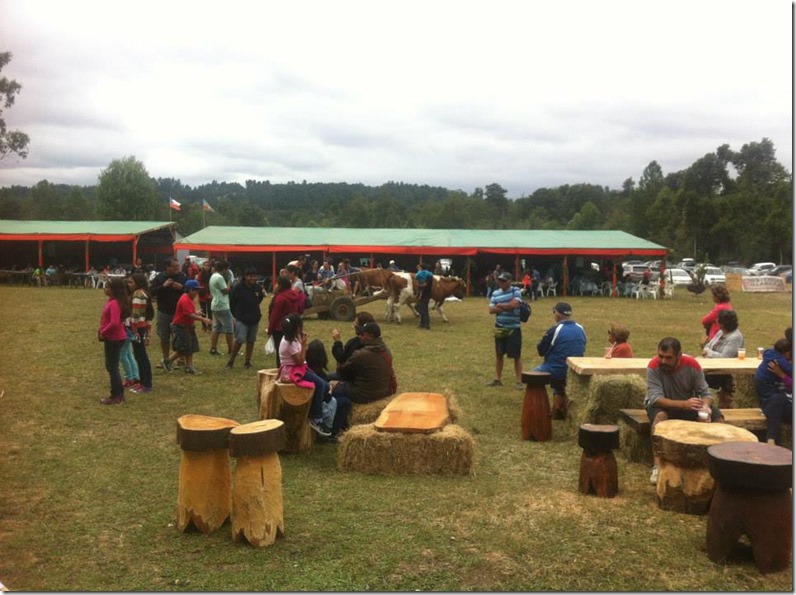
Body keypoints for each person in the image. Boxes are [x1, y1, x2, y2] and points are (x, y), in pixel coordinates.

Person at [644, 337, 723, 484]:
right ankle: (657, 465)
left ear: (679, 355)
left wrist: (705, 407)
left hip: (686, 402)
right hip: (662, 403)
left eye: (668, 358)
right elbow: (655, 398)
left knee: (717, 417)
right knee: (660, 417)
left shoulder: (692, 365)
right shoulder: (653, 366)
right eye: (660, 356)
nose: (663, 361)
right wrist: (684, 405)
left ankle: (713, 460)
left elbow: (706, 394)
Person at [330, 321, 397, 437]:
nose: (359, 336)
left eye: (362, 334)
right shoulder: (386, 350)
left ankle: (335, 428)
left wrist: (338, 344)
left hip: (364, 394)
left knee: (331, 385)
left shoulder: (361, 355)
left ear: (370, 336)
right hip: (383, 391)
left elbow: (342, 369)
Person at [278, 313, 333, 437]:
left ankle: (318, 407)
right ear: (297, 328)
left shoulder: (292, 337)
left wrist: (302, 343)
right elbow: (299, 360)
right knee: (319, 384)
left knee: (325, 385)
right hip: (292, 371)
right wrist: (303, 345)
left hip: (299, 367)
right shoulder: (288, 343)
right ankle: (316, 418)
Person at [533, 301, 587, 417]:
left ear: (557, 314)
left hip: (558, 369)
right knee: (559, 367)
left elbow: (541, 351)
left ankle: (539, 408)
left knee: (533, 374)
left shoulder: (555, 330)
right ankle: (559, 406)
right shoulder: (580, 328)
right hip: (574, 369)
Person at [486, 271, 524, 390]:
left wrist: (500, 306)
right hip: (499, 327)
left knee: (516, 356)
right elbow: (491, 310)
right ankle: (498, 379)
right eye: (499, 280)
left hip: (514, 328)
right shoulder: (495, 293)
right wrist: (506, 306)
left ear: (509, 281)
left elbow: (514, 305)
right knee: (499, 354)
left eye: (503, 280)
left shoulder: (516, 291)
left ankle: (519, 381)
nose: (500, 282)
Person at [165, 279, 212, 374]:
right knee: (184, 348)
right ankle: (169, 361)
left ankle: (188, 366)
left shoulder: (189, 299)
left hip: (188, 326)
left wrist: (196, 313)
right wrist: (203, 319)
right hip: (181, 327)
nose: (197, 292)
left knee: (190, 347)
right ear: (190, 290)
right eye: (196, 290)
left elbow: (189, 312)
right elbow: (188, 315)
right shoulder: (185, 299)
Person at [701, 309, 744, 408]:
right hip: (710, 364)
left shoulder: (735, 337)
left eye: (718, 320)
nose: (716, 321)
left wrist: (708, 353)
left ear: (723, 323)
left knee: (697, 377)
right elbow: (708, 345)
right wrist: (708, 351)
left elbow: (725, 357)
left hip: (723, 370)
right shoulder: (721, 332)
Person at [97, 278, 130, 405]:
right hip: (113, 337)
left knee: (112, 367)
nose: (105, 289)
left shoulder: (115, 303)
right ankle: (118, 393)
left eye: (108, 287)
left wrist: (103, 331)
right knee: (111, 366)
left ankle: (117, 395)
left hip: (114, 338)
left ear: (114, 289)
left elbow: (115, 323)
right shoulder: (112, 301)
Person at [755, 334, 792, 445]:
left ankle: (771, 440)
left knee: (777, 400)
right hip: (777, 403)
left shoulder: (779, 361)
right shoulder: (778, 361)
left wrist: (782, 375)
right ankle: (771, 441)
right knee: (777, 400)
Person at [150, 258, 187, 370]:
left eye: (178, 266)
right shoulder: (160, 277)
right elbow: (151, 291)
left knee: (180, 337)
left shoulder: (182, 276)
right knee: (164, 337)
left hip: (179, 312)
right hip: (164, 311)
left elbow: (190, 291)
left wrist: (182, 288)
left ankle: (181, 359)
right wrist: (163, 286)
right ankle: (166, 359)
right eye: (174, 266)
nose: (177, 269)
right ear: (167, 267)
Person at [225, 267, 265, 370]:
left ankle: (247, 362)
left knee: (251, 340)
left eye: (254, 276)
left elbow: (259, 299)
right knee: (239, 339)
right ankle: (231, 361)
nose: (253, 278)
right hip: (242, 318)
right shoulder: (237, 288)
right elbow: (232, 302)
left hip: (254, 318)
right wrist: (237, 315)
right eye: (250, 276)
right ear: (245, 277)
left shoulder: (257, 287)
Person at [267, 275, 302, 367]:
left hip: (280, 328)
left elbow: (275, 315)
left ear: (280, 285)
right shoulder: (294, 295)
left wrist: (270, 330)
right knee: (293, 349)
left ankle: (281, 370)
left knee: (281, 352)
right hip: (293, 326)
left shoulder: (280, 298)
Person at [128, 273, 154, 394]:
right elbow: (148, 314)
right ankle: (144, 382)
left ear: (138, 283)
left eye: (131, 282)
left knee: (141, 356)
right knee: (141, 356)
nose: (129, 285)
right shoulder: (145, 293)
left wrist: (134, 330)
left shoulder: (138, 294)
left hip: (137, 328)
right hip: (142, 327)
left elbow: (135, 314)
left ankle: (146, 384)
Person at [208, 260, 234, 356]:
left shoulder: (213, 276)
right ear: (224, 269)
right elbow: (225, 290)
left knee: (216, 328)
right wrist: (229, 282)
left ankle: (213, 348)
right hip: (222, 305)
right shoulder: (219, 278)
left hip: (215, 304)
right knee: (229, 329)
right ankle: (231, 350)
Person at [415, 262, 433, 330]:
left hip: (426, 294)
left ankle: (426, 325)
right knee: (418, 307)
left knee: (424, 310)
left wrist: (418, 285)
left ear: (422, 268)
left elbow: (425, 285)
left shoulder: (428, 276)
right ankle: (422, 323)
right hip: (422, 294)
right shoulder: (424, 274)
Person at [197, 259, 213, 332]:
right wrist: (203, 293)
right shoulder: (200, 274)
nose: (207, 267)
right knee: (203, 311)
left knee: (210, 311)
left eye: (208, 266)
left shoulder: (212, 274)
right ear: (203, 266)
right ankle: (204, 326)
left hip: (210, 295)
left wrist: (210, 294)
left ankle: (209, 325)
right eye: (205, 265)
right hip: (202, 295)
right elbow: (199, 285)